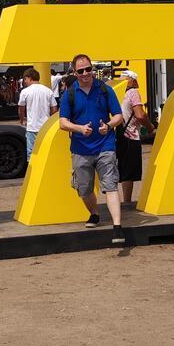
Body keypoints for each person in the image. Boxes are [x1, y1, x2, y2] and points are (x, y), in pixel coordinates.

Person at [58, 53, 126, 244]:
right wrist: (79, 128)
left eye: (89, 69)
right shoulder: (69, 94)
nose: (86, 73)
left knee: (111, 184)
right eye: (81, 70)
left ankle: (117, 227)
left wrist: (109, 126)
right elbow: (63, 123)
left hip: (105, 146)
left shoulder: (105, 90)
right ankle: (95, 214)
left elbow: (118, 115)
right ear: (75, 72)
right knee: (84, 189)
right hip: (80, 149)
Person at [115, 70, 155, 203]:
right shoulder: (133, 93)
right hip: (130, 135)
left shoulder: (119, 94)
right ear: (132, 81)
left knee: (124, 170)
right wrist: (150, 127)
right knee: (130, 171)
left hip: (119, 134)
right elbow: (140, 115)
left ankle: (126, 200)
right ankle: (127, 201)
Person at [17, 68, 57, 162]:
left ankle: (33, 174)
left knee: (32, 155)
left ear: (29, 78)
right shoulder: (48, 91)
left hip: (32, 127)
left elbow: (21, 109)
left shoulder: (25, 92)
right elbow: (54, 109)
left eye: (25, 79)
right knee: (46, 153)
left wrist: (22, 120)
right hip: (45, 127)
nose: (24, 81)